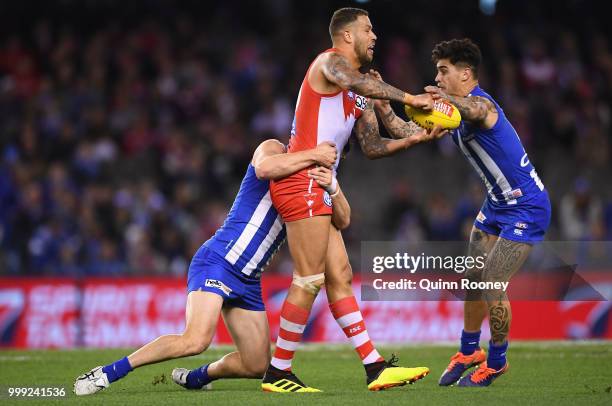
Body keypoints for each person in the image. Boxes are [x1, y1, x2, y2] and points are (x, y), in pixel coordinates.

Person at [263, 7, 440, 392]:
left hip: (321, 182)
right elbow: (360, 86)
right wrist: (407, 94)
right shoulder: (330, 65)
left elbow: (376, 142)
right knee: (309, 279)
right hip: (301, 178)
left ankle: (375, 367)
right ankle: (278, 372)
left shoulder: (363, 85)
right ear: (346, 36)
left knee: (340, 277)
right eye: (369, 29)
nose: (375, 36)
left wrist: (421, 132)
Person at [73, 139, 340, 395]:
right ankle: (107, 373)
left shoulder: (317, 179)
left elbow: (344, 218)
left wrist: (333, 188)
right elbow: (263, 168)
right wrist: (314, 154)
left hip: (249, 279)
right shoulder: (273, 148)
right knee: (195, 340)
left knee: (258, 364)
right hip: (219, 262)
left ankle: (197, 377)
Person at [424, 38, 551, 387]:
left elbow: (477, 111)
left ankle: (497, 361)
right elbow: (413, 129)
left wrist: (441, 99)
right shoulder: (453, 112)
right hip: (496, 205)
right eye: (437, 71)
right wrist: (385, 104)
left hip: (526, 206)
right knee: (472, 278)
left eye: (443, 71)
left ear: (466, 74)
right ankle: (468, 351)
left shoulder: (482, 104)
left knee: (493, 282)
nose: (437, 78)